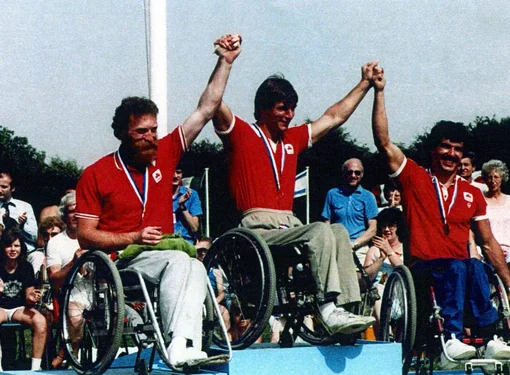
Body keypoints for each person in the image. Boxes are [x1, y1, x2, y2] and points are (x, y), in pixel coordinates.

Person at [75, 34, 241, 369]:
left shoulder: (164, 153)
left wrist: (225, 61)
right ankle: (177, 343)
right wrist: (132, 237)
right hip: (121, 261)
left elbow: (206, 109)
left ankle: (186, 343)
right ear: (123, 133)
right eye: (142, 132)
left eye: (154, 130)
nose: (151, 137)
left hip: (165, 254)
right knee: (180, 264)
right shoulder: (97, 173)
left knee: (193, 264)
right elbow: (85, 235)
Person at [212, 62, 381, 335]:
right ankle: (326, 308)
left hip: (289, 225)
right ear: (263, 109)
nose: (289, 115)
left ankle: (345, 308)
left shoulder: (292, 138)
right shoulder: (242, 134)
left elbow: (334, 116)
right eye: (282, 108)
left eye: (292, 108)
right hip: (256, 229)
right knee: (319, 230)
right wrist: (226, 61)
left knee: (337, 231)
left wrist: (364, 83)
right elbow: (214, 102)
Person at [370, 66, 510, 365]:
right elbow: (383, 142)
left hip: (459, 270)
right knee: (459, 267)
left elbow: (488, 242)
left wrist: (508, 280)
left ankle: (490, 338)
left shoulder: (472, 192)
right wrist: (379, 92)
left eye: (457, 149)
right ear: (433, 150)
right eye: (445, 147)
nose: (451, 154)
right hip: (423, 269)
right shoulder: (415, 177)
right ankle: (452, 337)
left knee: (473, 264)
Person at [0, 228, 48, 371]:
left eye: (17, 246)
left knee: (40, 321)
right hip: (1, 307)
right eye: (9, 246)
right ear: (3, 247)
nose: (13, 249)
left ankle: (35, 368)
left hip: (18, 308)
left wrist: (32, 297)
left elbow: (28, 295)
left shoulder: (26, 267)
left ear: (22, 247)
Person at [321, 158, 378, 264]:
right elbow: (326, 224)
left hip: (359, 248)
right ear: (344, 173)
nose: (353, 175)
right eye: (349, 172)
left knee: (360, 280)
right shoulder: (332, 194)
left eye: (357, 172)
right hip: (336, 246)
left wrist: (354, 245)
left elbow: (373, 228)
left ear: (361, 175)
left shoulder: (368, 196)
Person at [363, 208, 405, 331]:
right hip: (381, 291)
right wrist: (381, 258)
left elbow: (403, 270)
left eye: (391, 226)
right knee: (378, 290)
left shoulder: (406, 248)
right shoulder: (374, 250)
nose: (386, 229)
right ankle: (386, 332)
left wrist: (389, 252)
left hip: (402, 291)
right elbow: (367, 277)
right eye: (383, 226)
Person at [0, 171, 38, 253]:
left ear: (12, 188)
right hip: (2, 253)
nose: (0, 190)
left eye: (4, 187)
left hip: (26, 252)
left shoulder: (25, 207)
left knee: (37, 256)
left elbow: (36, 237)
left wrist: (23, 226)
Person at [482, 160, 510, 263]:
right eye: (489, 177)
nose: (492, 181)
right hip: (489, 251)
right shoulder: (481, 201)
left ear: (502, 179)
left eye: (496, 177)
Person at [172, 167, 203, 243]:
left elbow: (194, 228)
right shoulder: (159, 195)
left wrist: (182, 206)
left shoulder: (192, 195)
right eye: (172, 172)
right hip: (166, 240)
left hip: (185, 241)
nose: (175, 176)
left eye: (178, 172)